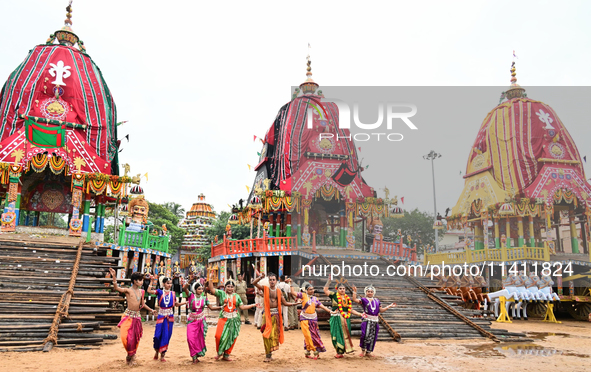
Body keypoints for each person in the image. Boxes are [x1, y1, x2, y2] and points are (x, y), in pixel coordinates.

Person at [109, 268, 155, 366]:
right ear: (135, 281)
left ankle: (131, 357)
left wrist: (151, 310)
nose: (142, 281)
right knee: (126, 337)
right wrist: (114, 276)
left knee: (135, 338)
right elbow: (117, 288)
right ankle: (130, 356)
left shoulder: (142, 291)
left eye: (142, 280)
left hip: (137, 317)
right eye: (140, 280)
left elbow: (142, 305)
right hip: (128, 316)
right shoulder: (128, 290)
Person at [208, 272, 256, 361]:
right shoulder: (222, 294)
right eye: (228, 286)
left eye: (231, 287)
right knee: (218, 336)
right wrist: (210, 278)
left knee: (231, 336)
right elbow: (211, 289)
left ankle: (226, 354)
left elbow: (242, 307)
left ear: (234, 288)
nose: (230, 288)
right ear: (225, 287)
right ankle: (219, 352)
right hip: (223, 318)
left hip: (234, 319)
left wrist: (253, 305)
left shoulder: (237, 296)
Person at [252, 272, 298, 362]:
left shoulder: (279, 291)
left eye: (273, 280)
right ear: (268, 281)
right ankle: (267, 354)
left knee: (273, 335)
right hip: (267, 315)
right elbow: (254, 283)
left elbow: (284, 303)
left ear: (276, 281)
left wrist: (294, 303)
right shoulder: (265, 289)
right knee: (266, 335)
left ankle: (269, 354)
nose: (272, 281)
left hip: (276, 315)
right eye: (270, 280)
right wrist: (260, 277)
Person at [350, 284, 396, 357]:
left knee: (373, 336)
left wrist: (389, 306)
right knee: (365, 335)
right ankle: (363, 350)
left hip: (375, 321)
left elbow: (381, 310)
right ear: (366, 292)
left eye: (371, 291)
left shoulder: (377, 300)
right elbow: (354, 300)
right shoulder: (364, 300)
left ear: (373, 292)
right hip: (366, 320)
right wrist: (354, 292)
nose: (370, 293)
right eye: (368, 291)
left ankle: (369, 352)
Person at [147, 276, 185, 362]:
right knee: (157, 335)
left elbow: (176, 304)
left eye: (171, 283)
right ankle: (156, 351)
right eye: (168, 283)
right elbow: (149, 291)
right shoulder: (159, 292)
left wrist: (184, 303)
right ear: (163, 284)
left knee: (166, 335)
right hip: (161, 316)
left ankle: (163, 355)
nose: (170, 285)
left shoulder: (173, 293)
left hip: (169, 317)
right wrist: (151, 281)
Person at [183, 279, 221, 363]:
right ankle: (194, 355)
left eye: (202, 289)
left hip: (201, 321)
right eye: (199, 289)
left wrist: (221, 307)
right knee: (190, 338)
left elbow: (211, 308)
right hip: (191, 321)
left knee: (198, 339)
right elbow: (184, 288)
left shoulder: (204, 298)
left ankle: (195, 357)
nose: (201, 290)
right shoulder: (190, 295)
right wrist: (191, 280)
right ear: (195, 289)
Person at [323, 278, 363, 358]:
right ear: (337, 289)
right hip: (336, 318)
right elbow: (325, 290)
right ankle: (339, 352)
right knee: (336, 335)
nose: (342, 290)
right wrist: (329, 281)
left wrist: (360, 314)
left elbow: (350, 310)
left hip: (345, 319)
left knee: (345, 334)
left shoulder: (347, 298)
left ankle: (343, 351)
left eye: (343, 289)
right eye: (340, 288)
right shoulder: (334, 295)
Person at [290, 282, 331, 359]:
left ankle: (309, 351)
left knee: (314, 336)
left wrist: (330, 311)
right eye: (310, 289)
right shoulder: (303, 295)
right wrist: (291, 283)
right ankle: (314, 350)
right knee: (307, 335)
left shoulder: (315, 299)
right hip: (304, 318)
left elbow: (323, 306)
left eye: (313, 289)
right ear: (306, 290)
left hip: (313, 319)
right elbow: (292, 292)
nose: (312, 291)